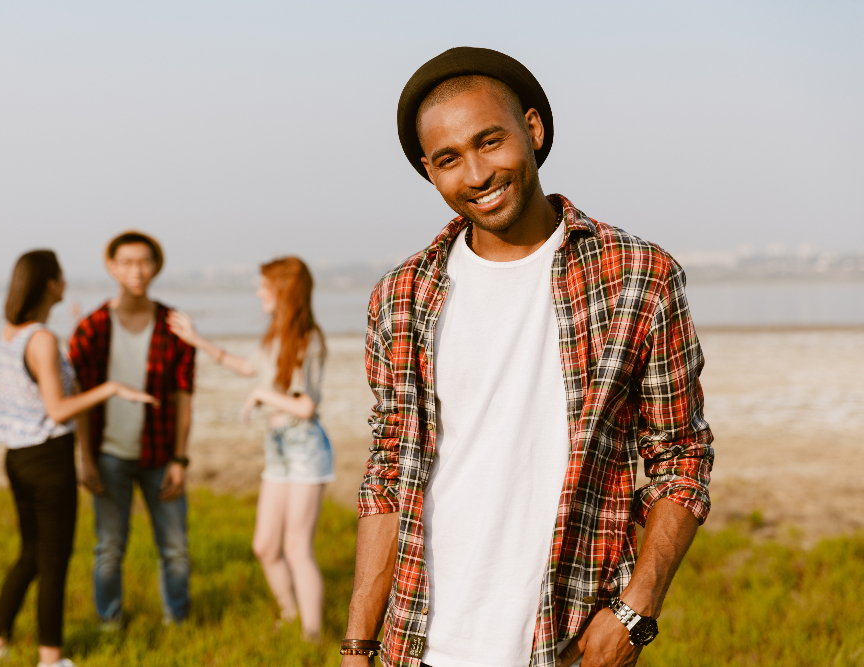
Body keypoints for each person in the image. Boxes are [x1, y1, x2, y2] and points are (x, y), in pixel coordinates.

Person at [339, 47, 715, 667]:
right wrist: (358, 646)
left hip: (567, 641)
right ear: (431, 174)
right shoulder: (400, 297)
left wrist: (635, 611)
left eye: (490, 141)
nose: (477, 174)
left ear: (533, 130)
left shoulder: (639, 277)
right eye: (448, 159)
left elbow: (681, 457)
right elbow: (388, 477)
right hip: (419, 642)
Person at [0, 250, 155, 667]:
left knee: (30, 554)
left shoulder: (11, 332)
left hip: (17, 457)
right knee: (54, 561)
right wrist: (112, 388)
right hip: (47, 459)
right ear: (48, 284)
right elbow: (58, 409)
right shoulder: (41, 338)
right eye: (60, 276)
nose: (65, 282)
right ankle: (50, 659)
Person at [168, 256, 333, 641]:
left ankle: (312, 636)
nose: (258, 292)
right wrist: (198, 340)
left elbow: (306, 407)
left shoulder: (309, 338)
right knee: (264, 545)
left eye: (264, 285)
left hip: (305, 447)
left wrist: (262, 395)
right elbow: (248, 367)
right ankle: (290, 617)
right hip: (278, 448)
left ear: (284, 290)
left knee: (296, 547)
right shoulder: (276, 334)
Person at [68, 231, 196, 627]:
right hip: (108, 456)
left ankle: (177, 621)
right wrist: (85, 457)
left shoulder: (173, 325)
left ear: (156, 266)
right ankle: (109, 624)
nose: (135, 270)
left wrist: (179, 458)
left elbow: (184, 399)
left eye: (144, 261)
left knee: (174, 548)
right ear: (111, 267)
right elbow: (82, 402)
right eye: (126, 262)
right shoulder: (91, 328)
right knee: (109, 547)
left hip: (161, 455)